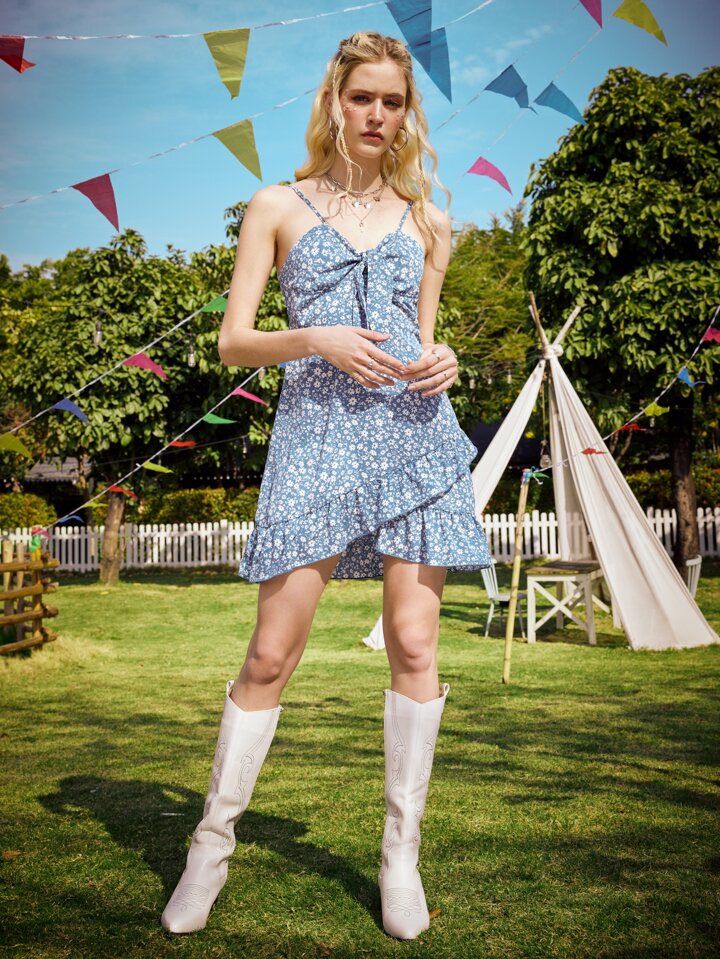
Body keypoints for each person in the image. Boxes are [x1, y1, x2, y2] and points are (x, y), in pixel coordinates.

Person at [160, 30, 491, 941]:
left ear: (407, 112)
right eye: (362, 98)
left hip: (414, 439)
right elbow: (233, 342)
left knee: (415, 644)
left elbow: (424, 338)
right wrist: (316, 338)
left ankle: (400, 855)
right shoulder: (275, 204)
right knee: (271, 654)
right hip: (314, 438)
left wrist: (446, 360)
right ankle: (210, 847)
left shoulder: (430, 220)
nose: (378, 115)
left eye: (394, 101)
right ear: (334, 102)